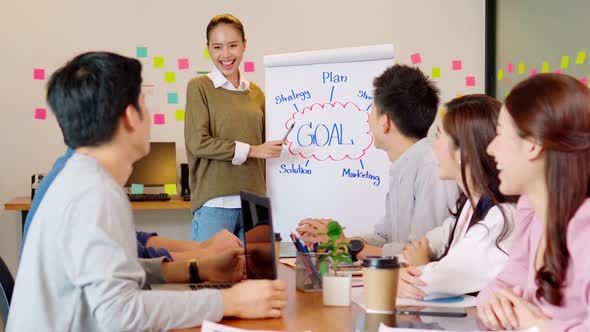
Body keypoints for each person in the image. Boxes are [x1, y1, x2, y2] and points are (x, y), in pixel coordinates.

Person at [7, 52, 287, 331]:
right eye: (144, 102)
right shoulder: (94, 192)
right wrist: (228, 301)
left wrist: (199, 267)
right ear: (130, 117)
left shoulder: (79, 178)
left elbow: (113, 273)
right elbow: (121, 314)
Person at [297, 64, 458, 258]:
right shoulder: (403, 166)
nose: (368, 119)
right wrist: (336, 239)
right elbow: (384, 237)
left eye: (372, 112)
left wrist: (346, 246)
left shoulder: (433, 169)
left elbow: (422, 252)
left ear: (385, 122)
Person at [476, 73, 590, 331]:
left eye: (500, 134)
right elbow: (499, 287)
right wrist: (495, 304)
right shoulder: (535, 217)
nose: (490, 149)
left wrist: (542, 326)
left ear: (534, 144)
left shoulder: (585, 227)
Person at [397, 94, 518, 300]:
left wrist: (417, 268)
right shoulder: (470, 205)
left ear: (465, 152)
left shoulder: (502, 216)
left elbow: (436, 281)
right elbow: (426, 245)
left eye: (439, 137)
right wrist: (411, 266)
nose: (433, 147)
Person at [185, 14, 283, 242]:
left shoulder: (256, 93)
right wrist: (252, 150)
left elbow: (268, 144)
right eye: (217, 47)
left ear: (244, 45)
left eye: (233, 45)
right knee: (211, 277)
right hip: (215, 204)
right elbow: (198, 142)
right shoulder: (199, 87)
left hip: (255, 204)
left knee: (257, 275)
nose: (226, 54)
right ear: (208, 48)